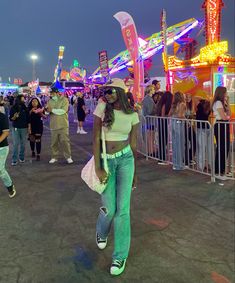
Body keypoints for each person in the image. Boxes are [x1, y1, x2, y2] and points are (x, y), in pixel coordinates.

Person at [93, 78, 139, 276]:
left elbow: (134, 144)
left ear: (120, 92)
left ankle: (120, 256)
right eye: (106, 90)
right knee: (109, 208)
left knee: (123, 211)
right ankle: (101, 231)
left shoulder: (133, 114)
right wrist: (98, 167)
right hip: (107, 161)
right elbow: (95, 137)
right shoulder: (102, 108)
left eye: (111, 90)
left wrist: (135, 172)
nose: (108, 94)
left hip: (126, 160)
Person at [45, 87, 73, 164]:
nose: (51, 95)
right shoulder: (49, 101)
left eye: (53, 93)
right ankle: (54, 157)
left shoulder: (64, 100)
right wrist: (46, 111)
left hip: (63, 124)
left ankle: (68, 156)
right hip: (53, 125)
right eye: (51, 93)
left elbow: (63, 111)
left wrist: (52, 110)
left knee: (65, 141)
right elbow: (47, 113)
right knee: (54, 142)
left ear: (57, 93)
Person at [212, 86, 230, 178]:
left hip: (223, 125)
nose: (227, 94)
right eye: (225, 92)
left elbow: (228, 114)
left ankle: (222, 170)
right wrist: (227, 117)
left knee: (225, 147)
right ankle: (218, 171)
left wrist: (228, 103)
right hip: (220, 125)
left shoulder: (223, 102)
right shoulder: (218, 102)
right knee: (222, 148)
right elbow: (224, 117)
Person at [9, 95, 30, 166]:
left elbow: (28, 118)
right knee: (15, 144)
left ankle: (21, 157)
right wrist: (14, 117)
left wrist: (29, 127)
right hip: (16, 128)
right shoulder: (13, 108)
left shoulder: (25, 107)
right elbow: (11, 118)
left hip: (24, 128)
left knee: (23, 144)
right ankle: (14, 159)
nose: (24, 99)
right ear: (19, 99)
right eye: (23, 98)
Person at [0, 112, 16, 198]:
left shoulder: (2, 117)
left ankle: (9, 186)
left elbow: (5, 133)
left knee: (0, 169)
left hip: (2, 148)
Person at [170, 92, 186, 170]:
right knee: (180, 143)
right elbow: (180, 116)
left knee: (175, 143)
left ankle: (175, 163)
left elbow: (170, 114)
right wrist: (186, 119)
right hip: (179, 124)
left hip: (173, 122)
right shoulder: (182, 104)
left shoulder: (173, 105)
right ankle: (179, 165)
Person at [155, 91, 173, 163]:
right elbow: (163, 116)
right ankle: (162, 159)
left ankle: (162, 158)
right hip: (163, 124)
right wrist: (169, 115)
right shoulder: (164, 105)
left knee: (162, 141)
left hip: (161, 124)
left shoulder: (161, 104)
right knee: (163, 141)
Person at [196, 99, 211, 171]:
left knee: (201, 148)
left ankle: (201, 166)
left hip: (201, 129)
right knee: (208, 148)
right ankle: (209, 164)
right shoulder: (208, 109)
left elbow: (196, 98)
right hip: (207, 128)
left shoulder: (199, 108)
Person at [142, 85, 156, 156]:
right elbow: (150, 111)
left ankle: (151, 151)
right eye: (153, 89)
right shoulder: (149, 99)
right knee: (151, 137)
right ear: (150, 90)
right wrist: (156, 110)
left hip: (148, 120)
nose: (154, 90)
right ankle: (151, 152)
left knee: (150, 137)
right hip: (150, 120)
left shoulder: (147, 99)